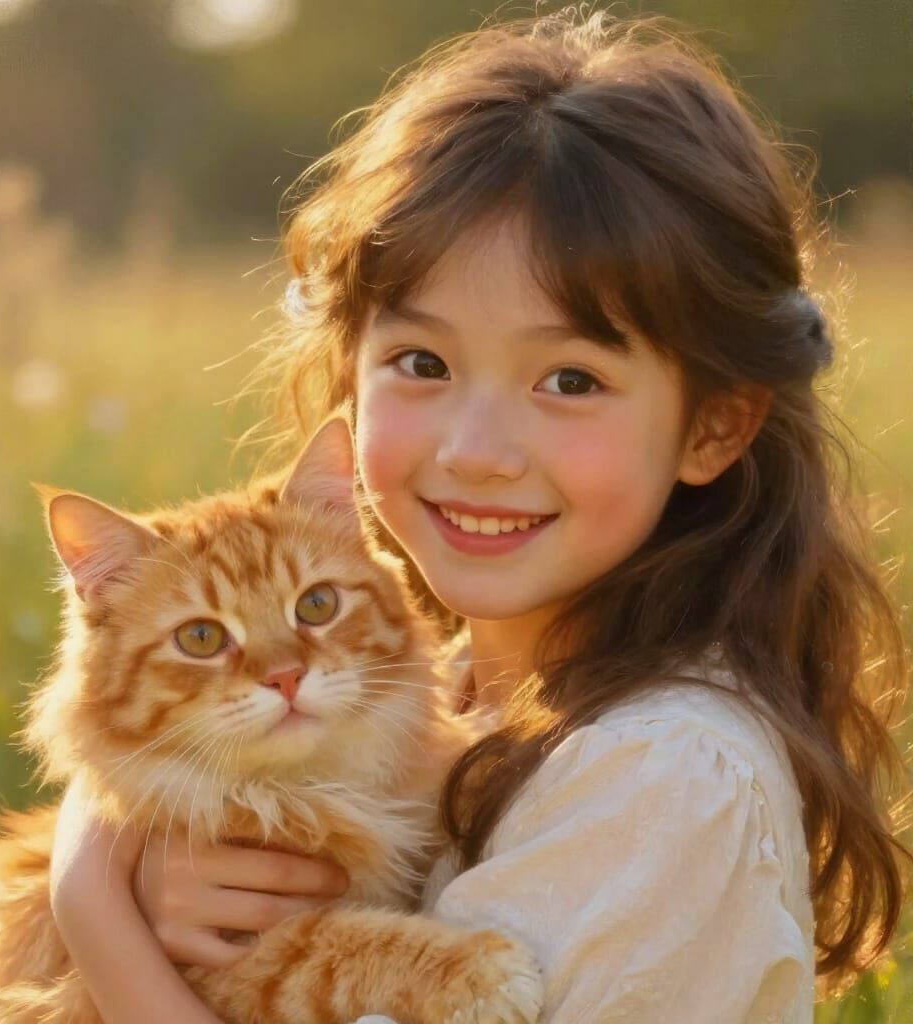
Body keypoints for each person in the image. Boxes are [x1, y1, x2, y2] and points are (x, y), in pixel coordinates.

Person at [48, 6, 912, 1022]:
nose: (476, 452)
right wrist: (122, 833)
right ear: (350, 379)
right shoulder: (453, 687)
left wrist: (91, 905)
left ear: (713, 428)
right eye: (423, 363)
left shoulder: (667, 777)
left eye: (570, 378)